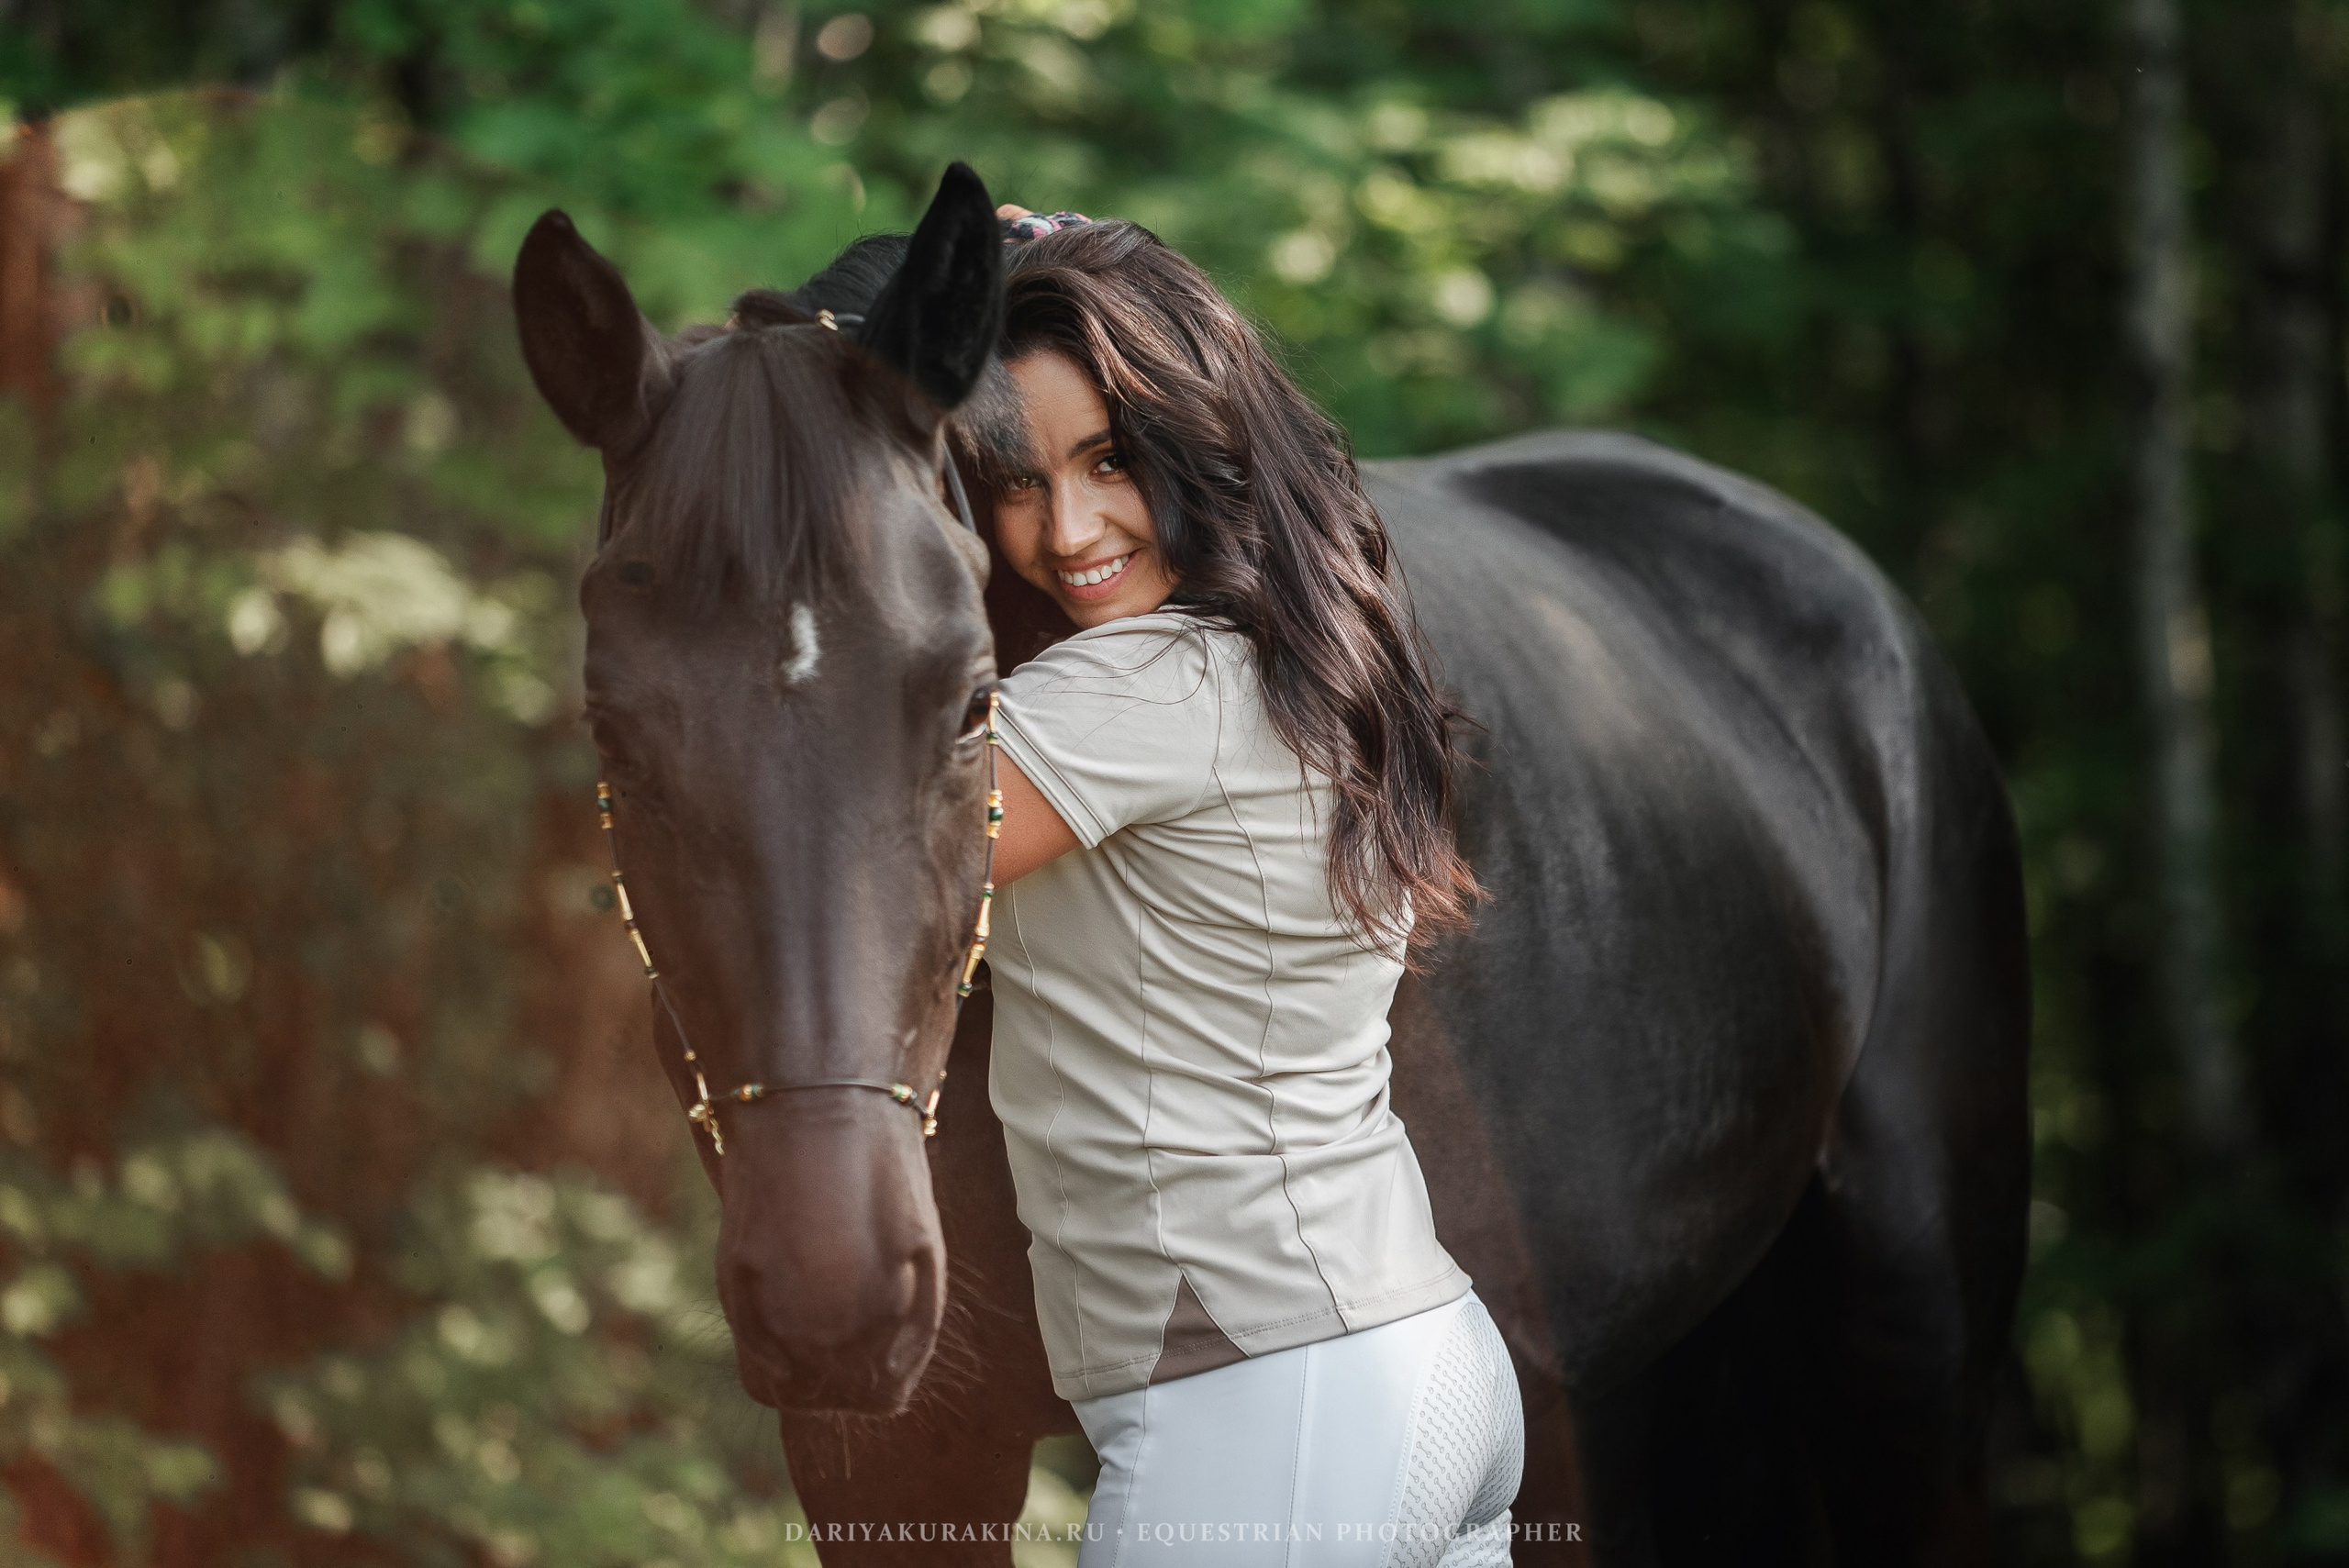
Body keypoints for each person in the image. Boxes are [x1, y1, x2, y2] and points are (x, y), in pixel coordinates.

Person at [974, 203, 1526, 1568]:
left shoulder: (1121, 689)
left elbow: (850, 847)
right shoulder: (1299, 663)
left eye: (1110, 461)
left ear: (1194, 447)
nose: (1071, 527)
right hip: (1421, 1362)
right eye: (1019, 477)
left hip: (1268, 1407)